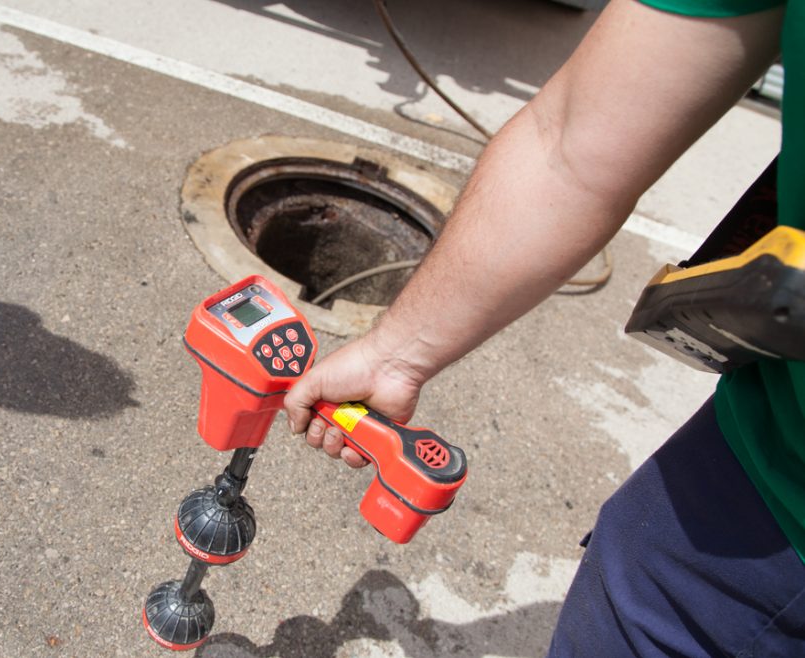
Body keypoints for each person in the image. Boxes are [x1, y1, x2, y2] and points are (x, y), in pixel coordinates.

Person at [282, 0, 804, 654]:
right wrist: (395, 357)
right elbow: (569, 143)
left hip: (765, 557)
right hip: (765, 455)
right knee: (637, 562)